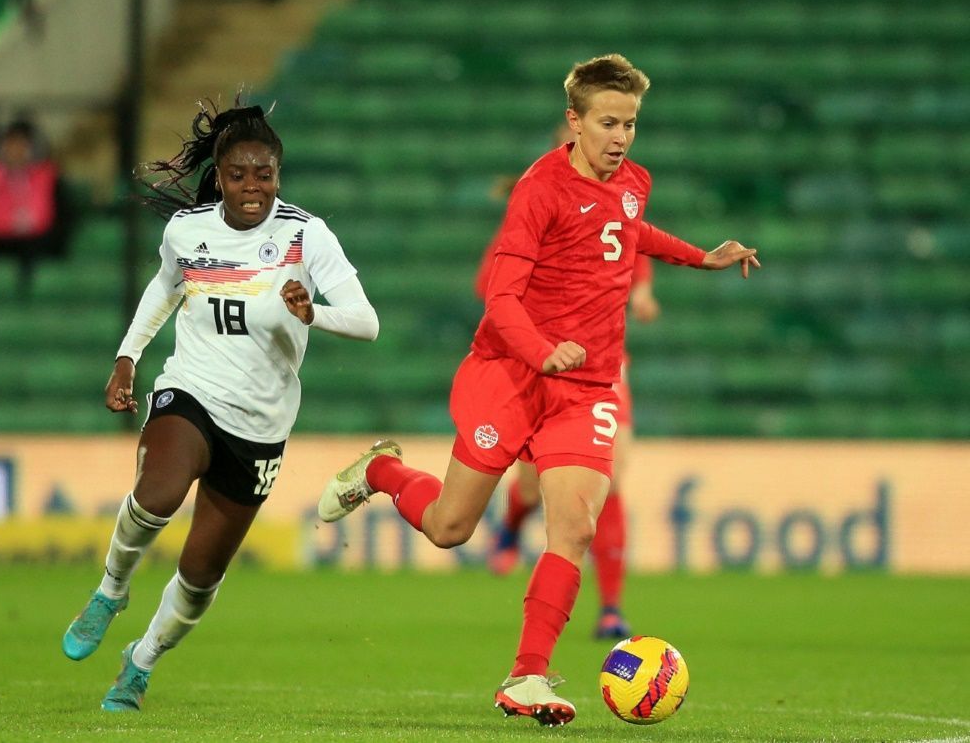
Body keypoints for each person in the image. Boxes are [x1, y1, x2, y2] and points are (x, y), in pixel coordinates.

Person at [318, 54, 760, 727]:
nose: (621, 137)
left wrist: (701, 256)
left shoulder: (634, 181)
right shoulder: (539, 190)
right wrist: (541, 350)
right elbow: (499, 297)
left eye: (631, 123)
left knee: (574, 524)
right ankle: (382, 469)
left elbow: (628, 231)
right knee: (449, 528)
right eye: (608, 122)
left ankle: (527, 675)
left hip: (588, 386)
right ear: (573, 122)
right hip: (513, 373)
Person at [60, 97, 380, 712]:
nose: (252, 187)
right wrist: (127, 358)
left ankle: (140, 662)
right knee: (157, 495)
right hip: (192, 391)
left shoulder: (304, 234)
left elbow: (367, 322)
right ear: (221, 174)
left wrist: (315, 311)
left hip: (261, 424)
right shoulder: (188, 232)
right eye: (239, 174)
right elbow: (165, 287)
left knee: (202, 573)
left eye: (265, 174)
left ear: (278, 175)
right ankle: (109, 591)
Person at [476, 123, 661, 641]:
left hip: (604, 365)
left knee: (612, 475)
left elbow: (633, 247)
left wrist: (642, 293)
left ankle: (611, 608)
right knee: (535, 486)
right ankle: (513, 522)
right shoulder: (539, 204)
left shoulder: (620, 199)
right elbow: (490, 285)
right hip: (546, 366)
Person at [0, 118, 68, 292]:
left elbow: (50, 218)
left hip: (36, 242)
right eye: (11, 145)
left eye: (21, 145)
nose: (15, 151)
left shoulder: (47, 176)